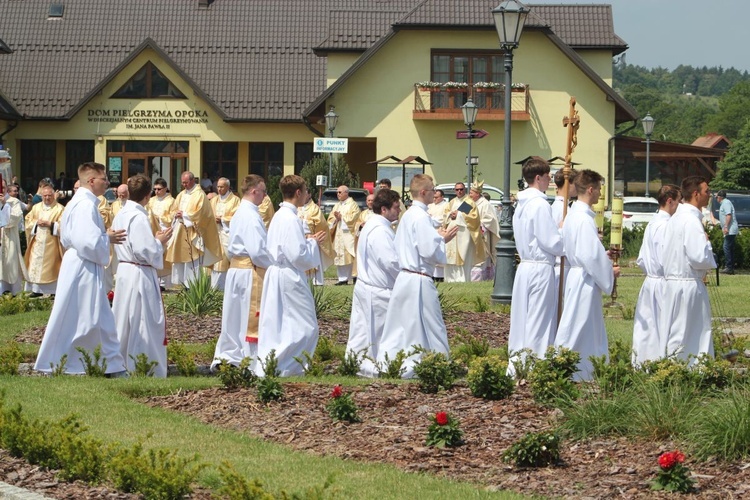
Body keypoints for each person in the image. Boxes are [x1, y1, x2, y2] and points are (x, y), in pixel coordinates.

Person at [34, 162, 128, 376]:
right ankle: (104, 365)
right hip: (83, 265)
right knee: (91, 317)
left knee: (83, 316)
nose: (107, 183)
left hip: (79, 264)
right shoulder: (85, 205)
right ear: (92, 181)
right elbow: (87, 242)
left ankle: (84, 362)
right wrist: (108, 238)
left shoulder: (79, 202)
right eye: (104, 179)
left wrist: (104, 238)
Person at [377, 174, 458, 378]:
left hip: (406, 277)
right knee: (432, 323)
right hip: (418, 277)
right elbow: (428, 250)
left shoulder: (408, 215)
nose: (435, 193)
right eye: (432, 190)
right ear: (423, 192)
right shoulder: (420, 217)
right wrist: (444, 239)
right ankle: (437, 364)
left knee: (401, 325)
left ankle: (392, 363)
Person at [255, 175, 325, 377]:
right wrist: (312, 244)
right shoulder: (291, 219)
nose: (306, 196)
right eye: (305, 192)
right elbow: (298, 256)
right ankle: (287, 367)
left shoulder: (279, 215)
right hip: (288, 275)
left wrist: (306, 240)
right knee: (306, 325)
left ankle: (275, 363)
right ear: (298, 193)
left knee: (279, 323)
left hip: (277, 273)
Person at [555, 169, 619, 381]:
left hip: (578, 274)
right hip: (584, 278)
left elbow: (588, 251)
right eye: (599, 189)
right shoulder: (582, 219)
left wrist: (603, 255)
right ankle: (567, 365)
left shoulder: (574, 215)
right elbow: (590, 256)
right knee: (578, 322)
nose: (600, 194)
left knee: (582, 322)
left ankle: (584, 366)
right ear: (590, 190)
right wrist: (609, 270)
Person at [507, 159, 564, 376]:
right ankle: (535, 364)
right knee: (539, 317)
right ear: (538, 178)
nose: (551, 179)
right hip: (539, 266)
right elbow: (550, 241)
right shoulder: (539, 204)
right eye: (548, 175)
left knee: (523, 317)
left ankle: (518, 361)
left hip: (525, 266)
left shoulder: (521, 203)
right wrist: (564, 236)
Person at [112, 175, 172, 377]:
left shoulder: (121, 213)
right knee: (143, 321)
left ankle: (121, 363)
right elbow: (144, 251)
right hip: (138, 271)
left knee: (124, 321)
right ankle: (143, 366)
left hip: (125, 270)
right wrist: (159, 241)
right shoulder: (138, 217)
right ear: (147, 196)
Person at [212, 175, 272, 372]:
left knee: (234, 314)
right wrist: (272, 264)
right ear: (254, 191)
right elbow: (257, 251)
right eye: (263, 192)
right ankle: (249, 358)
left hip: (236, 268)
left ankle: (230, 355)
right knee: (249, 316)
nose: (265, 196)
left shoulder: (239, 212)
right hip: (249, 271)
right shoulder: (252, 215)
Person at [660, 176, 716, 365]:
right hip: (688, 284)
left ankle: (674, 369)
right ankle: (688, 371)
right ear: (695, 194)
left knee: (677, 330)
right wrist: (707, 245)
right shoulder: (691, 221)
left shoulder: (676, 218)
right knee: (689, 332)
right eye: (707, 191)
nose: (709, 195)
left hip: (674, 283)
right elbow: (699, 258)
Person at [346, 189, 401, 377]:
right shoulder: (379, 230)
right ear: (384, 209)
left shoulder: (373, 225)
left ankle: (357, 364)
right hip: (377, 289)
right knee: (375, 332)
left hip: (368, 286)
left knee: (362, 331)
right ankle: (373, 367)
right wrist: (405, 275)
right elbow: (389, 262)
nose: (399, 210)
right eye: (396, 207)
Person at [631, 184, 681, 366]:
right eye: (678, 201)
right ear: (670, 201)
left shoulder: (653, 223)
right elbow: (665, 258)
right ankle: (658, 361)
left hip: (651, 280)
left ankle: (643, 361)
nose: (680, 205)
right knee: (661, 325)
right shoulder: (665, 226)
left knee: (649, 326)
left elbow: (642, 259)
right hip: (661, 281)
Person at [165, 171, 223, 287]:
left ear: (192, 181)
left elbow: (202, 213)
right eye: (182, 183)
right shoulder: (181, 194)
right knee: (181, 260)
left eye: (186, 182)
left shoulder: (200, 195)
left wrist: (185, 215)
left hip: (193, 233)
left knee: (192, 261)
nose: (184, 185)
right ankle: (183, 285)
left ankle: (192, 286)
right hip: (181, 230)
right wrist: (175, 214)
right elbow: (173, 209)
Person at [24, 185, 64, 297]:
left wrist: (50, 224)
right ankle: (36, 290)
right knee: (35, 264)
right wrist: (36, 223)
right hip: (37, 242)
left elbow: (64, 225)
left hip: (52, 244)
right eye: (45, 195)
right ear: (41, 196)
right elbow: (28, 220)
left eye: (50, 195)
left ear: (54, 195)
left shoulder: (59, 208)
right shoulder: (36, 207)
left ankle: (53, 291)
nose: (47, 198)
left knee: (52, 266)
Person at [443, 182, 484, 282]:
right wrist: (450, 215)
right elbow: (445, 215)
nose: (459, 191)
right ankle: (450, 280)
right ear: (454, 190)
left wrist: (458, 215)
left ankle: (462, 280)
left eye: (461, 189)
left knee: (463, 258)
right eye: (457, 189)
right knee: (450, 258)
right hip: (451, 234)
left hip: (463, 235)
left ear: (464, 190)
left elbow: (473, 218)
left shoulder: (468, 202)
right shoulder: (452, 202)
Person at [209, 177, 241, 290]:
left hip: (227, 234)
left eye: (221, 187)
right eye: (218, 186)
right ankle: (215, 287)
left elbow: (238, 217)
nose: (219, 189)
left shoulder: (235, 200)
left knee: (225, 260)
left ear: (227, 187)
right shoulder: (214, 200)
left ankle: (226, 287)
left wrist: (222, 219)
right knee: (216, 261)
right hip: (215, 233)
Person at [298, 190, 334, 286]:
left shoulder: (314, 209)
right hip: (299, 239)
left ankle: (316, 282)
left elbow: (322, 225)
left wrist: (314, 235)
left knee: (314, 261)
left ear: (309, 194)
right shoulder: (297, 207)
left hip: (312, 239)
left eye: (305, 193)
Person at [327, 185, 360, 285]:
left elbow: (354, 217)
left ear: (346, 193)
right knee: (339, 256)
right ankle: (342, 278)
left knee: (349, 255)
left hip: (348, 234)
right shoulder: (337, 205)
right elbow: (330, 218)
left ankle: (353, 276)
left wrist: (342, 217)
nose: (338, 194)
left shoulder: (352, 204)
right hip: (338, 233)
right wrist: (335, 219)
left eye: (340, 192)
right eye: (337, 192)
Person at [147, 178, 177, 290]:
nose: (156, 191)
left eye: (159, 189)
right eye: (154, 189)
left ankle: (164, 283)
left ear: (165, 188)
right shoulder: (151, 200)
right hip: (153, 231)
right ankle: (155, 280)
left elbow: (173, 216)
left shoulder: (171, 201)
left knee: (165, 256)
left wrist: (160, 218)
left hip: (166, 230)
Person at [0, 184, 29, 295]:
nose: (1, 189)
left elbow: (15, 219)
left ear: (6, 188)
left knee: (10, 262)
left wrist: (4, 205)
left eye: (2, 187)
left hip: (9, 237)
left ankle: (13, 291)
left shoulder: (14, 202)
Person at [468, 181, 499, 281]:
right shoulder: (468, 202)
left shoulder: (485, 204)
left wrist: (479, 224)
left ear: (477, 194)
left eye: (471, 193)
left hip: (481, 236)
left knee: (480, 258)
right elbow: (461, 214)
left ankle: (480, 279)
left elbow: (490, 219)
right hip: (468, 235)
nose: (469, 195)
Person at [427, 189, 448, 281]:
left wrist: (431, 219)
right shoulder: (429, 205)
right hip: (430, 232)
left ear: (442, 197)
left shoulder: (446, 205)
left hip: (439, 231)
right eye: (433, 197)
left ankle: (440, 278)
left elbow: (444, 218)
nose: (434, 199)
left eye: (436, 197)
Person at [716, 190, 738, 274]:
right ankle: (731, 267)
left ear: (720, 197)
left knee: (726, 247)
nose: (716, 198)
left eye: (717, 197)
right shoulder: (724, 203)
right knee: (730, 248)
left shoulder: (726, 203)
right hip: (729, 229)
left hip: (730, 229)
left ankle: (728, 267)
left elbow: (728, 215)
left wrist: (725, 226)